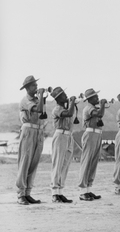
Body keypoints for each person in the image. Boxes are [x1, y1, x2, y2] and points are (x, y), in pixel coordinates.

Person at [16, 75, 46, 205]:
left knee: (33, 163)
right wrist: (40, 98)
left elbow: (43, 114)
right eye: (34, 86)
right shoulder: (25, 100)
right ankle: (20, 194)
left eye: (36, 85)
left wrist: (41, 98)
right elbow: (38, 109)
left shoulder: (36, 99)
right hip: (28, 131)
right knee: (25, 162)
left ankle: (28, 193)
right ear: (27, 88)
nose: (36, 87)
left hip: (38, 131)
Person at [78, 88, 107, 201]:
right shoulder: (88, 108)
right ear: (90, 99)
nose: (98, 98)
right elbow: (100, 114)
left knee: (93, 162)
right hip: (90, 134)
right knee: (87, 161)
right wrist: (103, 104)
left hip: (97, 134)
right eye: (95, 97)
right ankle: (82, 191)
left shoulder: (94, 108)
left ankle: (88, 189)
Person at [50, 87, 76, 203]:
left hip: (68, 136)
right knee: (58, 164)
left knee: (65, 165)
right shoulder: (57, 109)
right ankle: (55, 193)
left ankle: (60, 192)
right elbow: (69, 113)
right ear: (58, 98)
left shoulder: (65, 108)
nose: (66, 96)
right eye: (63, 95)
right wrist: (73, 101)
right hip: (60, 136)